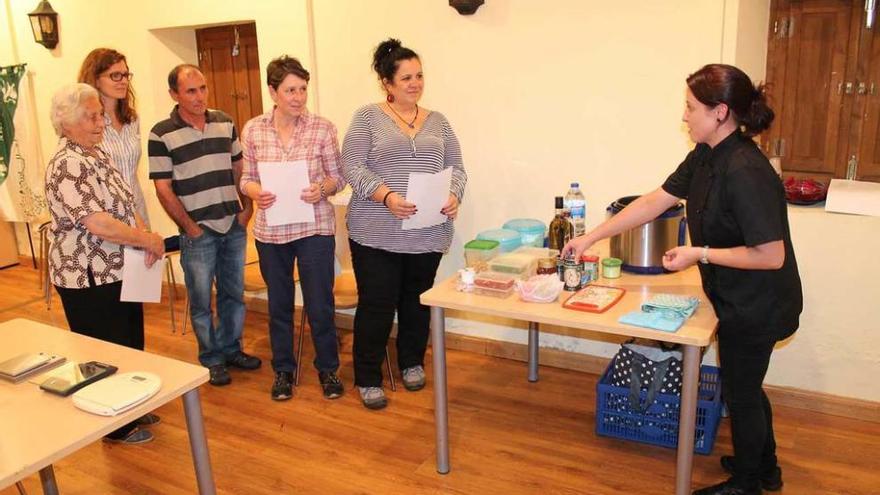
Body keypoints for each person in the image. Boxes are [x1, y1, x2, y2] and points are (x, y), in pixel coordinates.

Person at [563, 64, 802, 495]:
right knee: (744, 384)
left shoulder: (745, 170)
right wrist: (591, 238)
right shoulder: (708, 153)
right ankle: (765, 466)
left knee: (741, 390)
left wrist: (699, 253)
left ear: (720, 112)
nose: (685, 116)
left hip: (759, 302)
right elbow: (657, 200)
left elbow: (771, 254)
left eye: (691, 108)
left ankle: (748, 482)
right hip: (736, 296)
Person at [342, 38, 467, 410]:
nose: (415, 83)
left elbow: (457, 168)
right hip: (375, 234)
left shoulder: (439, 122)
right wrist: (385, 196)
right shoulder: (367, 117)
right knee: (377, 306)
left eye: (419, 76)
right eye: (406, 77)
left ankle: (411, 361)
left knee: (417, 303)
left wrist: (454, 195)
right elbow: (352, 165)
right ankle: (367, 376)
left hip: (427, 232)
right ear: (387, 82)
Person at [45, 83, 165, 444]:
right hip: (87, 276)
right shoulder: (67, 163)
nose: (101, 123)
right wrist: (145, 239)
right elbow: (96, 222)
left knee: (128, 343)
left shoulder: (95, 154)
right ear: (66, 123)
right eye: (92, 117)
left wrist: (141, 232)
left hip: (117, 267)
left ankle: (129, 405)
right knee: (103, 350)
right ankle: (113, 426)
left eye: (101, 115)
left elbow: (123, 205)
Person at [240, 55, 345, 401]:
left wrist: (322, 189)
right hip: (272, 231)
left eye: (302, 89)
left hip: (315, 227)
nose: (298, 97)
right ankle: (283, 371)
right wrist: (256, 193)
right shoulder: (253, 129)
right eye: (290, 90)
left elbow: (338, 177)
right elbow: (246, 179)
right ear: (273, 91)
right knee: (279, 305)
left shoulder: (323, 128)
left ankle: (328, 369)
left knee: (320, 304)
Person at [148, 64, 260, 386]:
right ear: (174, 95)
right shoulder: (161, 133)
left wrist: (246, 208)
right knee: (200, 301)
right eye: (190, 91)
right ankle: (211, 359)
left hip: (232, 225)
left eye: (203, 89)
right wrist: (190, 227)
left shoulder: (224, 121)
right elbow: (162, 188)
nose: (199, 97)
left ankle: (231, 350)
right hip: (198, 232)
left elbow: (240, 169)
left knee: (233, 295)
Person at [78, 48, 151, 227]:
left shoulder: (132, 119)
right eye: (115, 76)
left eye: (126, 75)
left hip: (137, 206)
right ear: (95, 79)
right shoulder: (86, 122)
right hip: (107, 212)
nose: (123, 81)